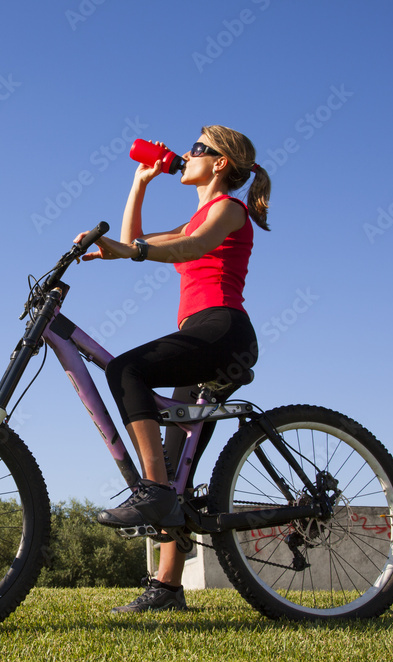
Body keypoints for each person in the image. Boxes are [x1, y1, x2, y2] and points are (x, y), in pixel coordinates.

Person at [74, 125, 271, 612]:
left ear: (220, 163)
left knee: (125, 370)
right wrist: (140, 183)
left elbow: (186, 249)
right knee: (177, 457)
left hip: (221, 329)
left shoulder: (227, 209)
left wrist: (133, 251)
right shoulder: (196, 216)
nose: (186, 155)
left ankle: (153, 492)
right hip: (204, 333)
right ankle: (167, 587)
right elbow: (133, 240)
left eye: (197, 149)